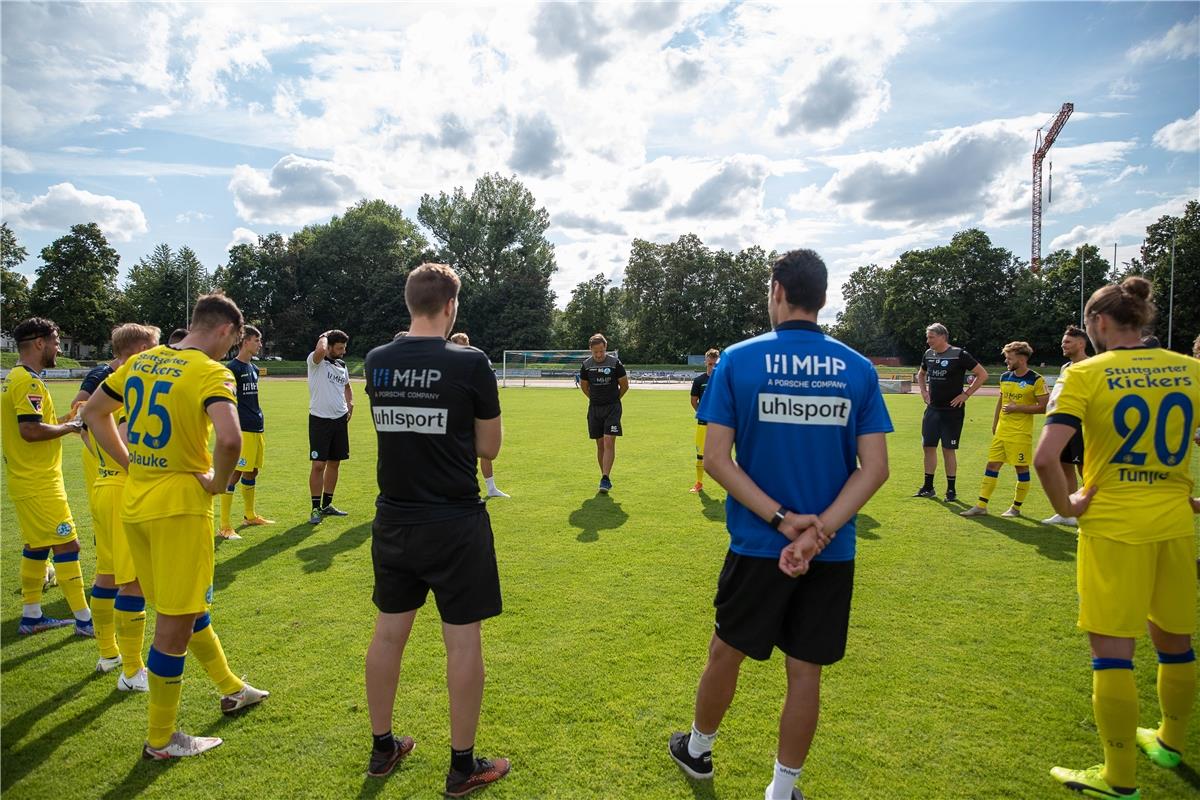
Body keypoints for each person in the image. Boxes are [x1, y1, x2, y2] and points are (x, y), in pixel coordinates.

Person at [668, 249, 892, 800]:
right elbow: (877, 469)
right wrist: (820, 531)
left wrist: (783, 521)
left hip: (758, 543)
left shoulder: (739, 361)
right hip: (829, 553)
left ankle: (698, 750)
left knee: (726, 651)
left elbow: (717, 459)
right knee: (805, 672)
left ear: (776, 291)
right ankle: (782, 788)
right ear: (822, 297)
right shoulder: (857, 368)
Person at [84, 293, 268, 759]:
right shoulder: (210, 372)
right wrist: (216, 483)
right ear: (226, 330)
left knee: (183, 606)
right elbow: (229, 438)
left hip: (137, 503)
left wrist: (128, 462)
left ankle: (232, 688)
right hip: (180, 510)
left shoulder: (143, 362)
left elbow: (93, 415)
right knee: (173, 623)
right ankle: (161, 741)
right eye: (234, 341)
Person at [1033, 276, 1197, 800]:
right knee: (1175, 642)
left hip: (1112, 526)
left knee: (1113, 654)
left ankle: (1118, 778)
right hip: (1174, 524)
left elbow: (1045, 457)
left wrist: (1069, 505)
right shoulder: (1191, 370)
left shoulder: (1086, 374)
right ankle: (1170, 741)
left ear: (1098, 324)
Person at [362, 263, 509, 795]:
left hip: (394, 519)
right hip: (453, 521)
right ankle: (462, 764)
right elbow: (489, 447)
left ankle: (383, 748)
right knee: (463, 642)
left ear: (409, 303)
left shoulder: (377, 360)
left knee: (387, 634)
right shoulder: (470, 363)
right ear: (451, 306)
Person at [1, 317, 92, 636]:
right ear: (39, 343)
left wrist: (70, 418)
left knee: (37, 546)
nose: (57, 347)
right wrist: (72, 427)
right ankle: (84, 620)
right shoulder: (29, 382)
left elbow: (39, 423)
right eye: (54, 341)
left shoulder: (15, 378)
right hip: (39, 483)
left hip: (27, 479)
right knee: (69, 545)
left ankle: (32, 615)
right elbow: (30, 430)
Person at [83, 323, 160, 687]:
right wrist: (129, 464)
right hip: (122, 489)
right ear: (140, 348)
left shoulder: (103, 384)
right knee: (133, 584)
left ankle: (108, 655)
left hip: (102, 484)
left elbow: (85, 427)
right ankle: (132, 670)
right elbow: (129, 436)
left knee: (107, 575)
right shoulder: (131, 384)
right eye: (155, 347)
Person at [960, 341, 1048, 518]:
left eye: (1009, 358)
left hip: (1020, 433)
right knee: (992, 464)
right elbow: (1001, 401)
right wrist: (995, 423)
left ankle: (1015, 508)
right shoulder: (1005, 377)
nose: (1006, 361)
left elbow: (1044, 407)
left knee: (1021, 468)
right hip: (1002, 430)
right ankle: (981, 506)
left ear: (1022, 359)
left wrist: (1018, 408)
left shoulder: (1036, 379)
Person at [914, 323, 988, 502]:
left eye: (931, 337)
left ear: (942, 337)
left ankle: (951, 490)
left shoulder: (959, 354)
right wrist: (924, 392)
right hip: (932, 410)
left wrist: (966, 394)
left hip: (952, 412)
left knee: (948, 449)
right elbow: (921, 374)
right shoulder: (928, 354)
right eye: (928, 337)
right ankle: (928, 487)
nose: (928, 340)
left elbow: (982, 374)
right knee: (928, 447)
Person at [218, 325, 274, 540]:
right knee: (236, 473)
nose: (260, 344)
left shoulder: (253, 368)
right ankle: (224, 525)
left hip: (256, 426)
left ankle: (249, 515)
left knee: (253, 471)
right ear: (245, 341)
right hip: (242, 428)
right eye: (257, 340)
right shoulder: (232, 368)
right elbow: (226, 397)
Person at [450, 332, 508, 498]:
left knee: (485, 450)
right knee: (456, 452)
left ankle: (491, 488)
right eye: (462, 345)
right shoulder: (447, 362)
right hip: (456, 413)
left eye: (467, 343)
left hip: (477, 412)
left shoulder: (477, 359)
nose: (466, 347)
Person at [1043, 326, 1089, 526]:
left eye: (1068, 342)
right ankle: (1067, 511)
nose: (1063, 345)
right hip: (1064, 425)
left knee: (1086, 470)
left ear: (1081, 343)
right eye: (1063, 342)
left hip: (1083, 426)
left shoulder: (1091, 365)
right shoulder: (1065, 367)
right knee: (1065, 469)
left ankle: (1090, 511)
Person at [307, 329, 353, 524]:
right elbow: (320, 351)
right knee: (319, 465)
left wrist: (351, 404)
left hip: (339, 420)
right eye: (340, 348)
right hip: (320, 420)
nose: (343, 352)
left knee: (335, 463)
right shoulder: (315, 361)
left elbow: (347, 387)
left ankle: (327, 505)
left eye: (344, 348)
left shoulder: (342, 365)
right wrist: (323, 335)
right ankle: (315, 509)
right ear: (330, 346)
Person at [579, 333, 628, 493]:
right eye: (595, 352)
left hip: (612, 408)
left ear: (605, 348)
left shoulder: (615, 363)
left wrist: (614, 399)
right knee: (600, 444)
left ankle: (605, 478)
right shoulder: (586, 365)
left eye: (601, 351)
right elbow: (584, 386)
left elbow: (624, 386)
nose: (599, 355)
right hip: (594, 409)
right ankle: (604, 476)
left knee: (608, 442)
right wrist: (595, 399)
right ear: (591, 350)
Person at [689, 348, 719, 493]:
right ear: (706, 362)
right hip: (703, 423)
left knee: (722, 456)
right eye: (710, 364)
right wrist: (702, 413)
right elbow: (693, 400)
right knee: (700, 455)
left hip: (721, 425)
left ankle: (729, 486)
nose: (712, 367)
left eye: (715, 364)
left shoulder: (724, 380)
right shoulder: (699, 381)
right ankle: (699, 483)